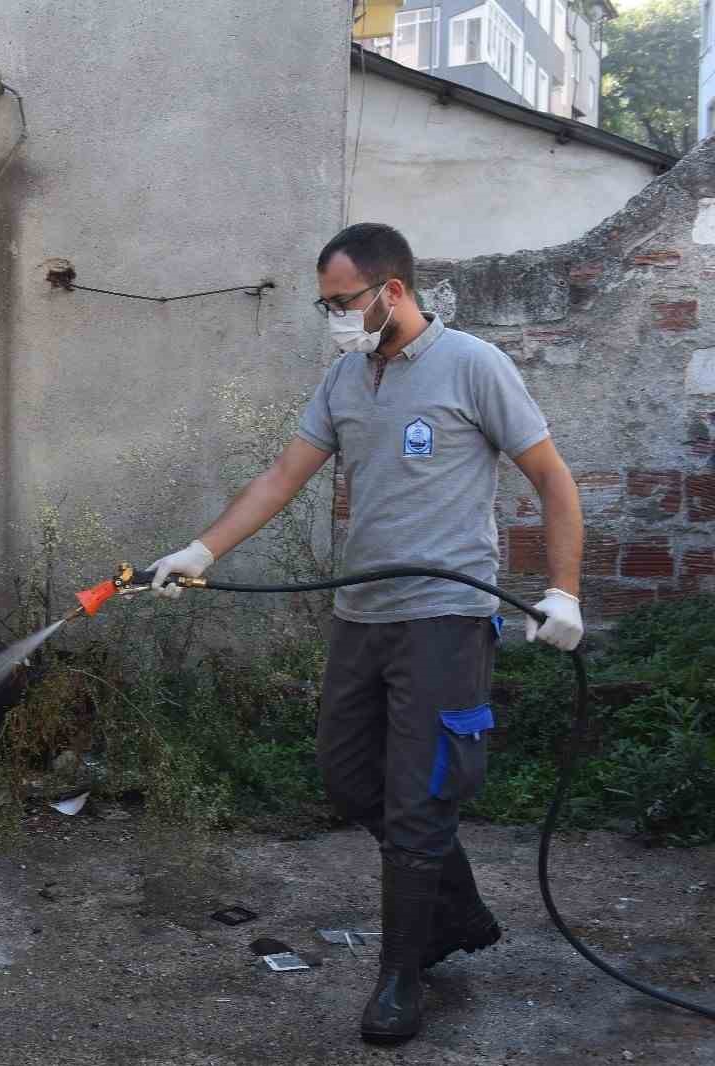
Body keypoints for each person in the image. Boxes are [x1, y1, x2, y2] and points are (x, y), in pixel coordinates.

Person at [149, 223, 583, 1045]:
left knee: (419, 798)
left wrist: (564, 592)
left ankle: (400, 975)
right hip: (362, 614)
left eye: (342, 302)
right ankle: (456, 909)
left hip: (444, 617)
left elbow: (552, 478)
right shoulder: (346, 377)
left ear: (392, 290)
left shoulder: (475, 366)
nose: (334, 318)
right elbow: (284, 476)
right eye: (326, 305)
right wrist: (201, 550)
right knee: (349, 776)